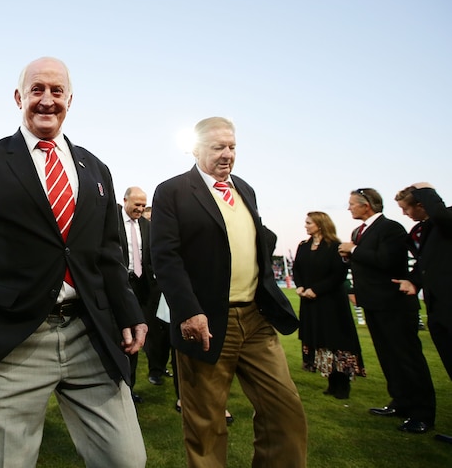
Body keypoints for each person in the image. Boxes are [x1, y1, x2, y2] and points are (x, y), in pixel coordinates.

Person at [0, 56, 148, 468]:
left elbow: (108, 252)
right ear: (19, 97)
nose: (47, 100)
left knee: (126, 459)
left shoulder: (96, 168)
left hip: (89, 332)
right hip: (15, 337)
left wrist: (128, 310)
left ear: (71, 99)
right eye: (37, 90)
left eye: (57, 91)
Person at [150, 116, 307, 468]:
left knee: (284, 411)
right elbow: (165, 256)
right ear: (196, 149)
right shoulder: (172, 190)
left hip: (256, 319)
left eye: (232, 147)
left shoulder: (245, 189)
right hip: (205, 322)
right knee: (206, 425)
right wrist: (189, 310)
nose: (227, 154)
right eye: (218, 147)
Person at [338, 188, 435, 433]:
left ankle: (422, 412)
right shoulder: (358, 232)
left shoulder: (391, 229)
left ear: (367, 205)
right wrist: (348, 257)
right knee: (387, 356)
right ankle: (400, 401)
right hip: (373, 304)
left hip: (394, 305)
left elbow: (388, 261)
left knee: (407, 357)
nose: (349, 208)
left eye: (352, 204)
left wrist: (355, 251)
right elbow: (364, 263)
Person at [394, 183, 452, 444]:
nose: (405, 214)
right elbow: (426, 260)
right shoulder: (428, 230)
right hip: (438, 308)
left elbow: (441, 217)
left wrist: (426, 189)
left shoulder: (445, 219)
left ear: (421, 205)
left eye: (407, 208)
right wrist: (413, 281)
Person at [292, 211, 365, 399]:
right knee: (320, 341)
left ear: (320, 224)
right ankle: (331, 382)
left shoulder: (335, 246)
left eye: (309, 222)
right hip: (310, 303)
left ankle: (343, 383)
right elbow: (297, 268)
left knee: (337, 341)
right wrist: (300, 286)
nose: (306, 226)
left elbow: (338, 275)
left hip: (331, 303)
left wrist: (317, 289)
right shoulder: (303, 246)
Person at [117, 187, 168, 401]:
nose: (140, 209)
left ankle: (129, 389)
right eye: (136, 204)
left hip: (144, 288)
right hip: (119, 286)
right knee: (120, 336)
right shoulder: (110, 222)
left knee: (139, 337)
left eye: (142, 205)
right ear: (125, 200)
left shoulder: (148, 226)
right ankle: (118, 388)